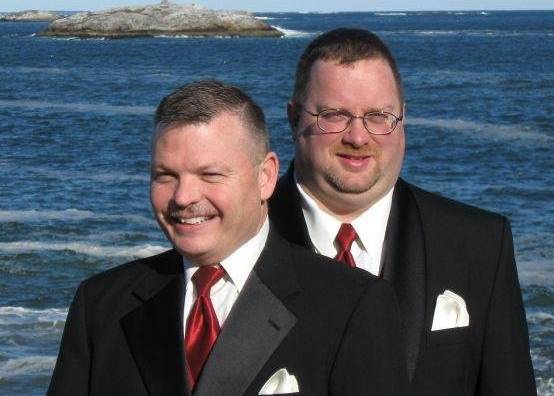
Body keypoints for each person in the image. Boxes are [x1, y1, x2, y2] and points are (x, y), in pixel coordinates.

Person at [47, 80, 410, 396]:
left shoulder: (352, 306)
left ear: (265, 177)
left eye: (210, 174)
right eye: (165, 175)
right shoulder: (101, 305)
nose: (183, 196)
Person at [269, 28, 537, 395]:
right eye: (334, 115)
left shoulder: (479, 245)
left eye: (379, 116)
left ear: (402, 119)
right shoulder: (243, 240)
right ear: (294, 118)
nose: (358, 137)